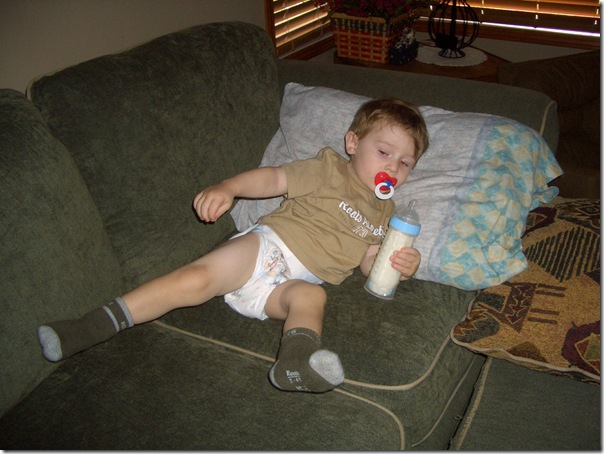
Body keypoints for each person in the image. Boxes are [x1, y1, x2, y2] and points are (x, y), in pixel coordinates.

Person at [37, 98, 429, 393]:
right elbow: (274, 179)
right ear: (353, 142)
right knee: (196, 278)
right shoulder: (329, 170)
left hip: (287, 286)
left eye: (405, 163)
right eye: (384, 152)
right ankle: (90, 327)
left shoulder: (387, 214)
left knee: (312, 297)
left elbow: (369, 262)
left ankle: (294, 365)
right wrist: (229, 188)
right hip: (265, 249)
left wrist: (396, 264)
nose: (393, 167)